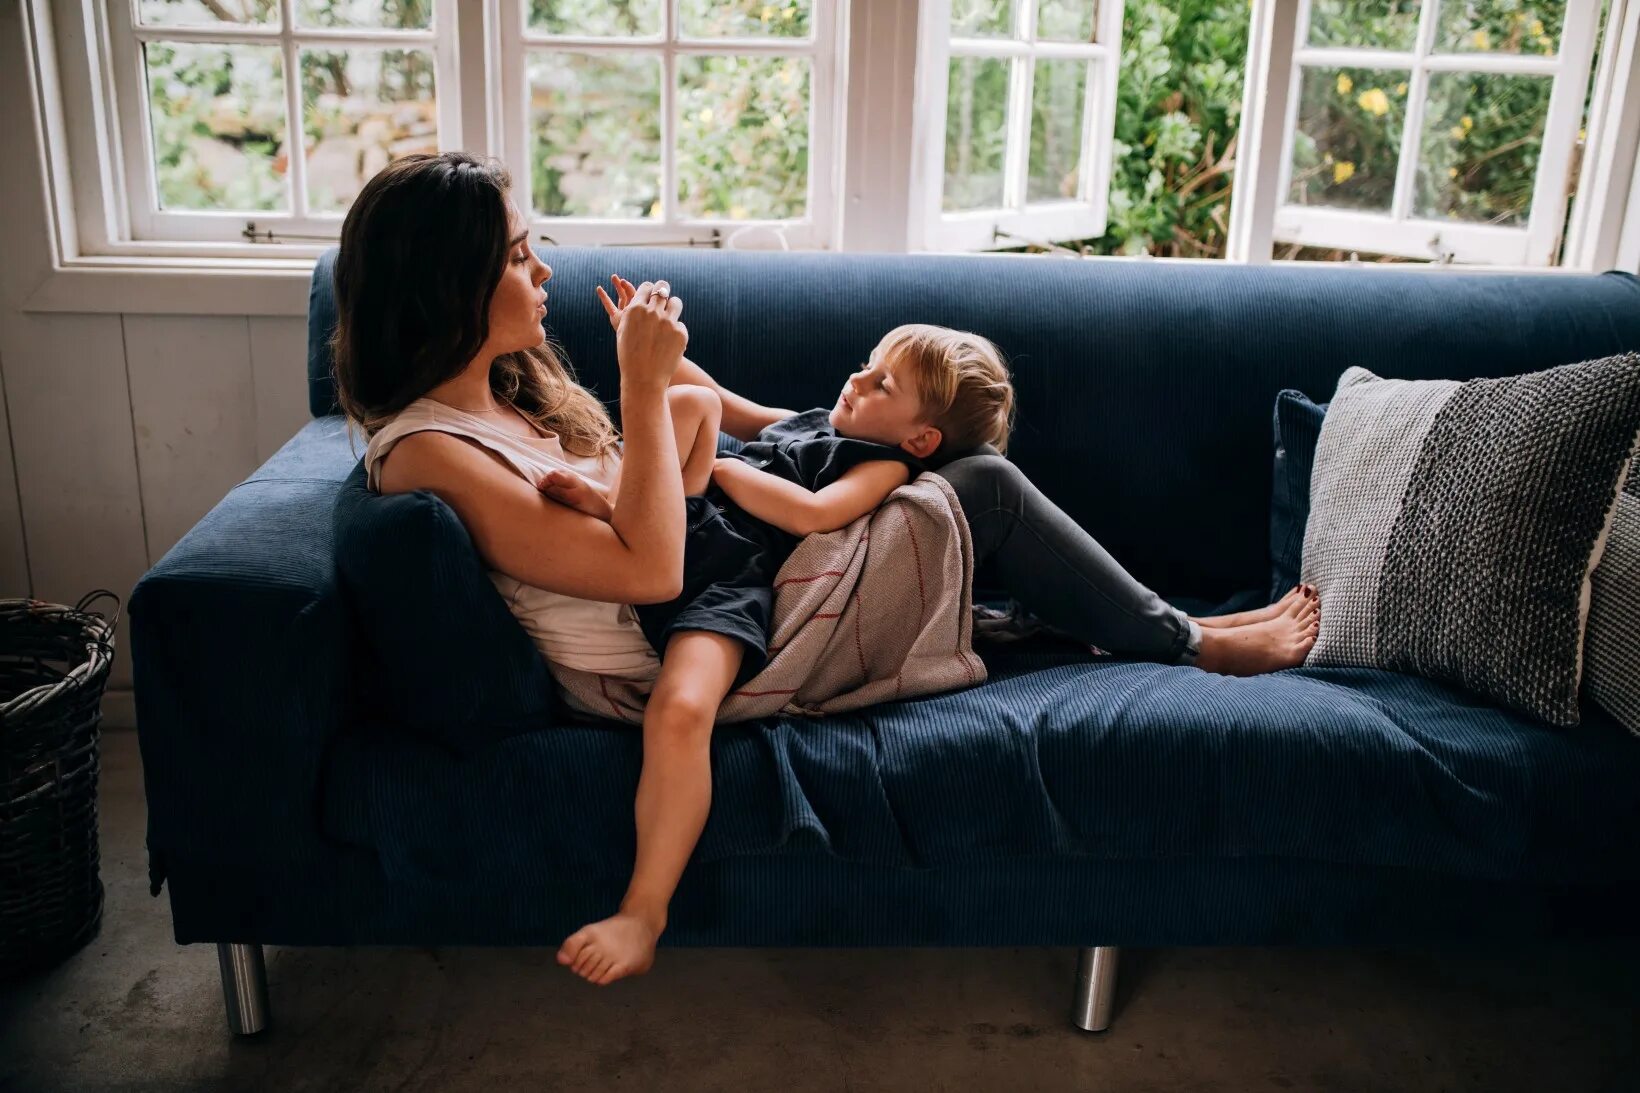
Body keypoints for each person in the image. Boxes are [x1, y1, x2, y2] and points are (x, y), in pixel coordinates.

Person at [332, 152, 1320, 992]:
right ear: (449, 283)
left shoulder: (501, 397)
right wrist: (644, 383)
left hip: (710, 570)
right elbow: (645, 567)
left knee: (934, 479)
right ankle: (1191, 640)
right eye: (514, 255)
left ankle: (1173, 630)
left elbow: (687, 457)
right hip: (678, 631)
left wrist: (770, 421)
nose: (541, 267)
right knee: (977, 487)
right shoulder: (429, 452)